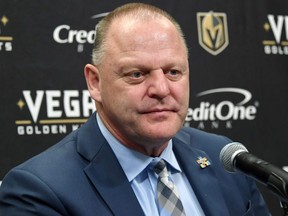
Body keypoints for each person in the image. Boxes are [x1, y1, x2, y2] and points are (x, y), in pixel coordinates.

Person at [0, 3, 270, 216]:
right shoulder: (38, 190)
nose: (161, 89)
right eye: (137, 74)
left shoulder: (227, 160)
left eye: (173, 72)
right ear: (95, 82)